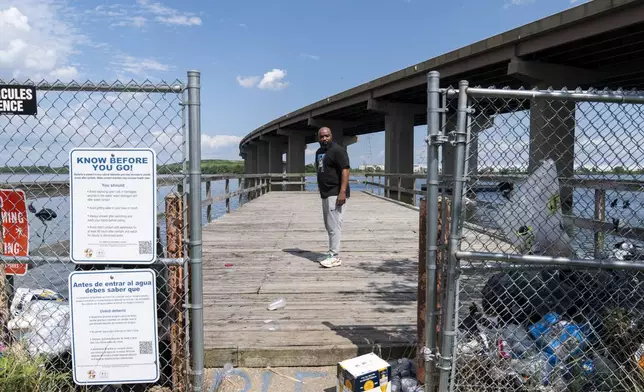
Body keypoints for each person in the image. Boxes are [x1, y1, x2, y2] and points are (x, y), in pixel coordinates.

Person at [315, 126, 350, 268]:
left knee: (334, 225)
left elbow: (345, 170)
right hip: (325, 193)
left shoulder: (338, 150)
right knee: (329, 225)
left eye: (327, 136)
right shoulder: (319, 152)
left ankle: (334, 256)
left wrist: (342, 192)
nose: (324, 138)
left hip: (336, 193)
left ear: (331, 136)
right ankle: (331, 252)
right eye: (322, 136)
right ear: (318, 138)